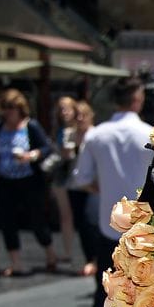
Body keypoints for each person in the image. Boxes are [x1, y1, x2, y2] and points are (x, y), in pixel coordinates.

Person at [71, 77, 153, 307]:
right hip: (144, 225)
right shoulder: (149, 133)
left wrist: (103, 188)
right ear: (137, 100)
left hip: (109, 222)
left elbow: (81, 178)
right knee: (150, 290)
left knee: (104, 289)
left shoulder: (97, 136)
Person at [0, 89, 58, 276]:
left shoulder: (31, 126)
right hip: (6, 181)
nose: (8, 112)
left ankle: (50, 254)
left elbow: (46, 147)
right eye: (5, 108)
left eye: (12, 108)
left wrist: (31, 155)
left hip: (29, 180)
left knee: (36, 219)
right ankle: (15, 262)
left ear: (20, 109)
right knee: (7, 220)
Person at [66, 101, 99, 276]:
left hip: (93, 186)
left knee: (91, 222)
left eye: (83, 115)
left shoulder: (95, 135)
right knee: (80, 222)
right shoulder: (69, 135)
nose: (80, 118)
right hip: (74, 185)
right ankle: (88, 258)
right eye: (77, 115)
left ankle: (95, 259)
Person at [51, 96, 78, 265]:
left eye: (67, 108)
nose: (64, 112)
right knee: (65, 215)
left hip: (77, 174)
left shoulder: (79, 129)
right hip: (62, 173)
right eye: (61, 108)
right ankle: (68, 252)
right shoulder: (59, 130)